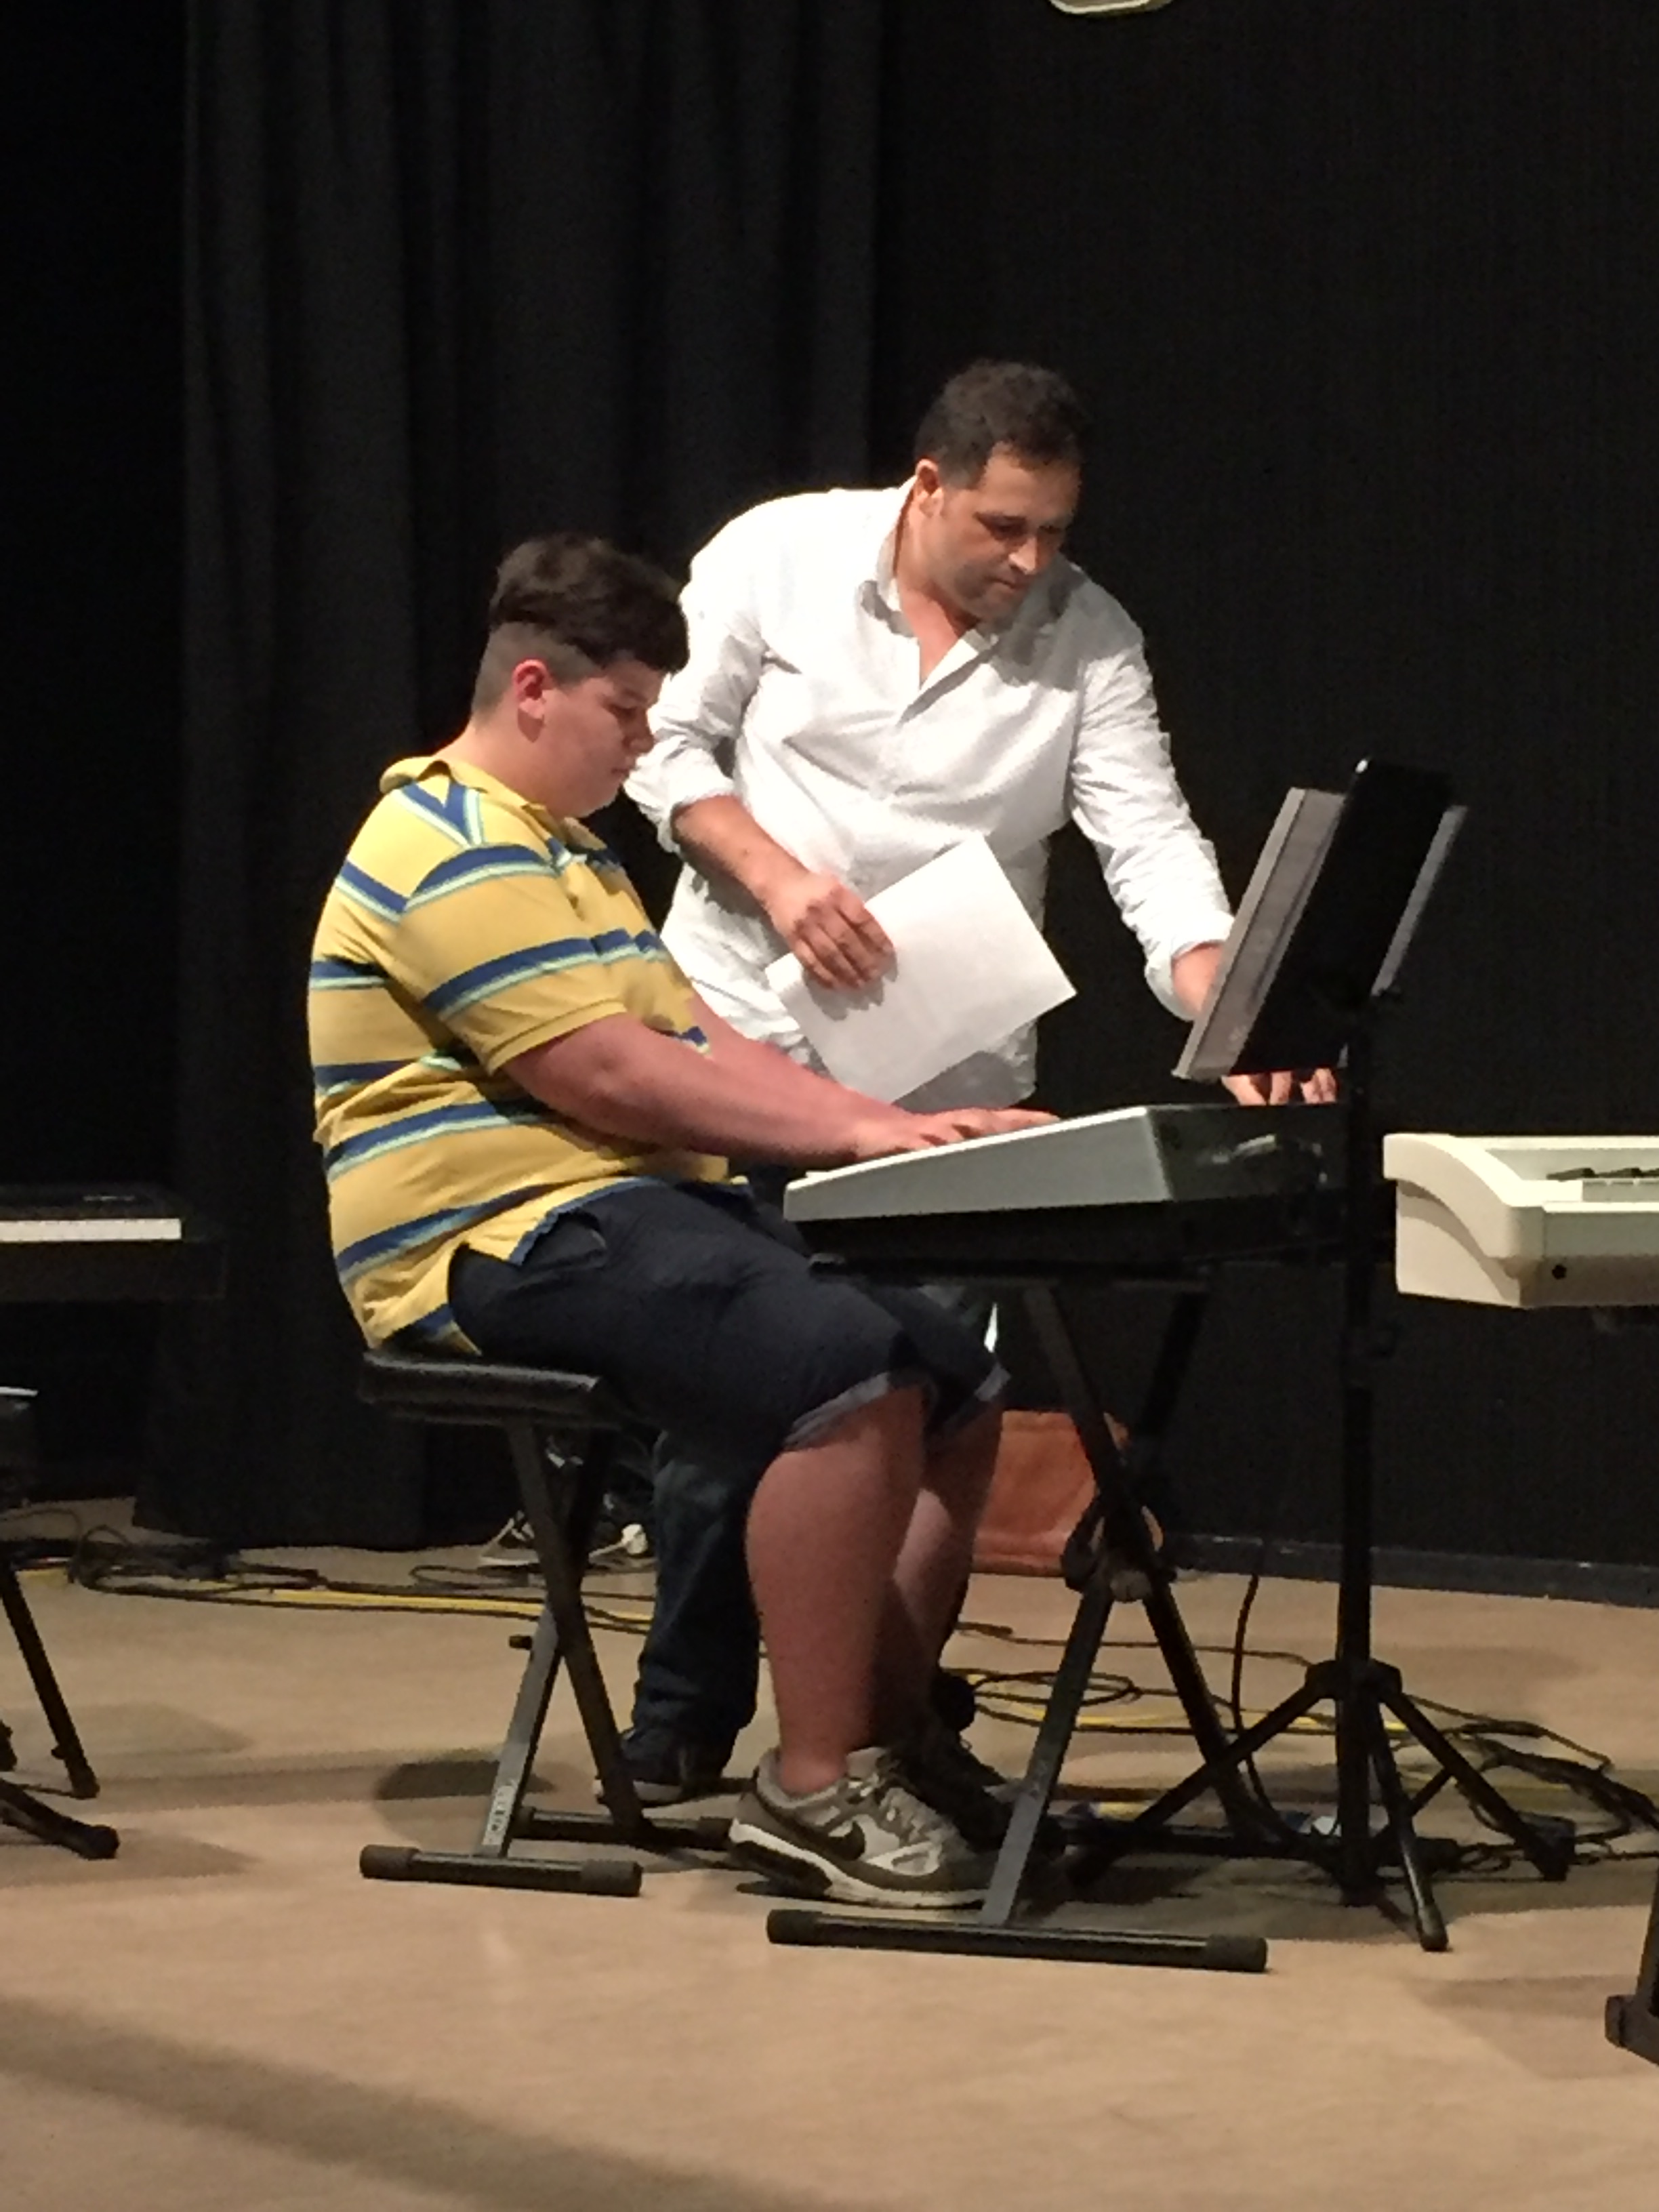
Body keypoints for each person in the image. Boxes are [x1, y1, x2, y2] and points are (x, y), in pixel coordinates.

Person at [621, 360, 1332, 1798]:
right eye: (1004, 527)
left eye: (1054, 532)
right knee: (731, 1409)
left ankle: (876, 1731)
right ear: (928, 485)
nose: (1029, 560)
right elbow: (663, 745)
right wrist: (775, 874)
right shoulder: (781, 555)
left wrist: (1234, 1010)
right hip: (741, 1036)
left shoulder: (1091, 636)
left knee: (937, 1400)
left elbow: (1150, 847)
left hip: (940, 1086)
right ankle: (684, 1717)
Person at [308, 534, 1049, 1909]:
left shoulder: (570, 857)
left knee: (958, 1378)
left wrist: (892, 1128)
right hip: (493, 1241)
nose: (644, 743)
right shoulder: (441, 841)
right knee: (846, 1368)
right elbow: (604, 1073)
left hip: (620, 1212)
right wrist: (854, 1136)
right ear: (536, 691)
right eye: (627, 711)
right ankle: (812, 1788)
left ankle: (886, 1739)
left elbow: (700, 1041)